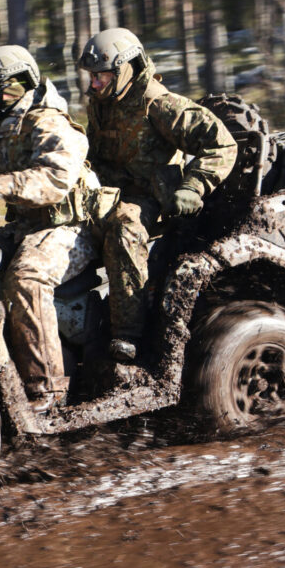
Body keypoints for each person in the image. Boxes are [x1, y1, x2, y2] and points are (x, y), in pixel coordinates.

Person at [0, 45, 99, 413]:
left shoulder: (47, 121)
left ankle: (48, 392)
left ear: (17, 85)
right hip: (28, 226)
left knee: (26, 278)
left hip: (71, 226)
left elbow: (54, 177)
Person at [78, 28, 238, 362]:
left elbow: (221, 144)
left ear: (124, 69)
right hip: (105, 192)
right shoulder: (102, 103)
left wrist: (194, 186)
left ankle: (128, 335)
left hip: (149, 198)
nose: (94, 84)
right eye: (92, 77)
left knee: (125, 228)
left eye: (101, 76)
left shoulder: (158, 103)